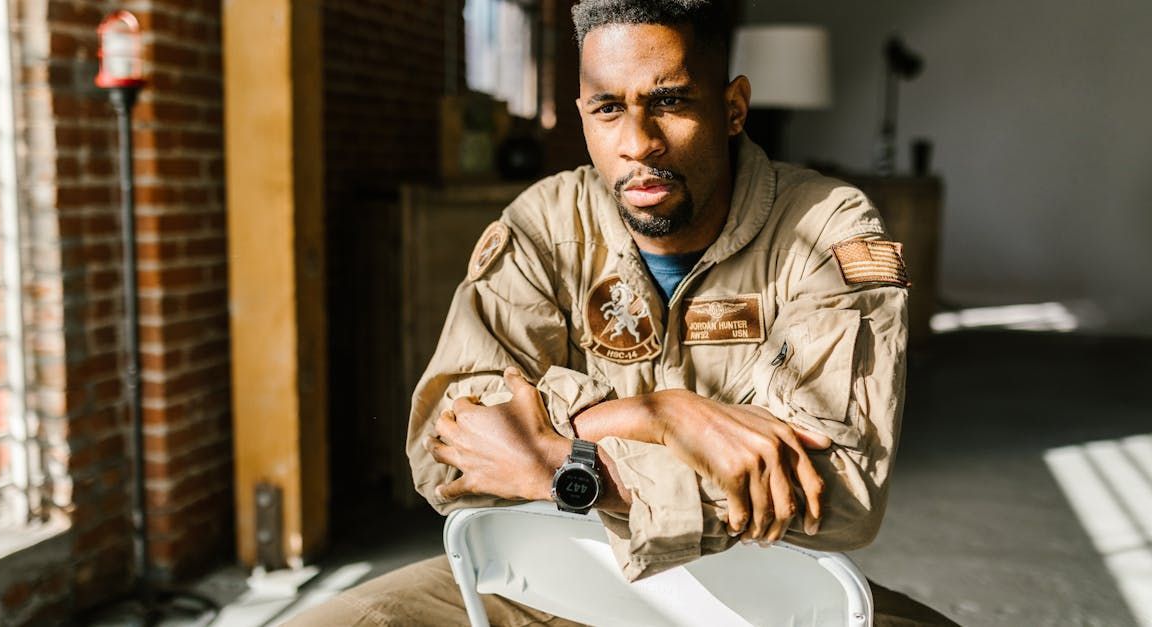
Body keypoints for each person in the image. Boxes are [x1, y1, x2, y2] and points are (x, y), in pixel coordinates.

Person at [291, 1, 953, 624]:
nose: (637, 142)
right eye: (608, 108)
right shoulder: (545, 223)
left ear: (732, 108)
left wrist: (557, 459)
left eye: (668, 102)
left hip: (755, 589)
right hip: (548, 575)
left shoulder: (826, 227)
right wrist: (660, 417)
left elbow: (839, 493)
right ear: (581, 113)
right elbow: (447, 447)